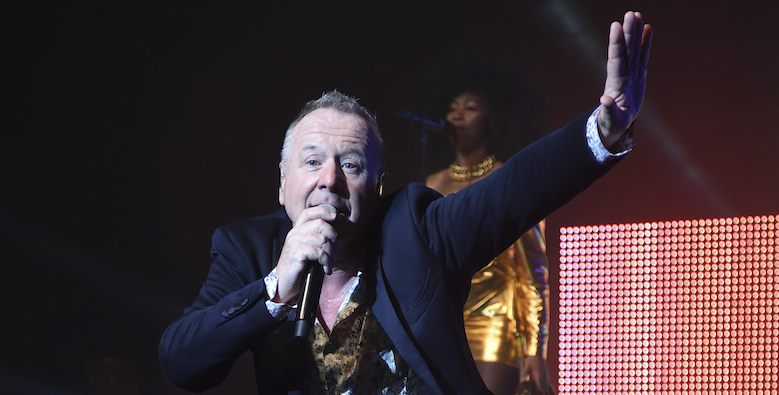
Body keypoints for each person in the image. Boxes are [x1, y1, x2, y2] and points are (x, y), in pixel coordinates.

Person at [159, 11, 652, 395]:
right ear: (282, 184)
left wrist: (603, 132)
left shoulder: (418, 230)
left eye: (350, 164)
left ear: (377, 186)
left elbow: (516, 190)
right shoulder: (245, 250)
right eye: (312, 162)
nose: (329, 179)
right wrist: (273, 291)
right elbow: (182, 362)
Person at [420, 56, 552, 395]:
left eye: (470, 108)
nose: (458, 115)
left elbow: (533, 272)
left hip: (495, 323)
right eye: (452, 108)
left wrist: (535, 349)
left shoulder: (508, 180)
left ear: (491, 119)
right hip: (444, 324)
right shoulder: (432, 184)